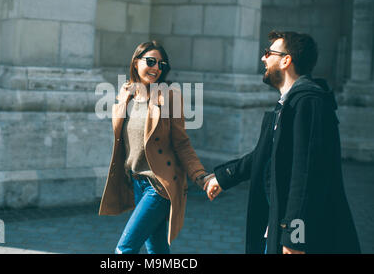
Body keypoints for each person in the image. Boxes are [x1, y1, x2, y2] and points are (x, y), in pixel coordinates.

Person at [206, 31, 361, 254]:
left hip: (302, 235)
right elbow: (264, 155)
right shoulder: (289, 104)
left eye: (268, 53)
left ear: (286, 60)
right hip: (280, 224)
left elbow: (306, 174)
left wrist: (296, 236)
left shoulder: (309, 103)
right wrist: (223, 176)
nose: (263, 58)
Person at [99, 41, 213, 254]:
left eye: (161, 64)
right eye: (150, 61)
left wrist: (200, 175)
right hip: (136, 182)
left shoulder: (169, 97)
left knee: (125, 248)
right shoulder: (127, 94)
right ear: (135, 62)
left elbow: (182, 144)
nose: (156, 68)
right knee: (157, 249)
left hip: (159, 185)